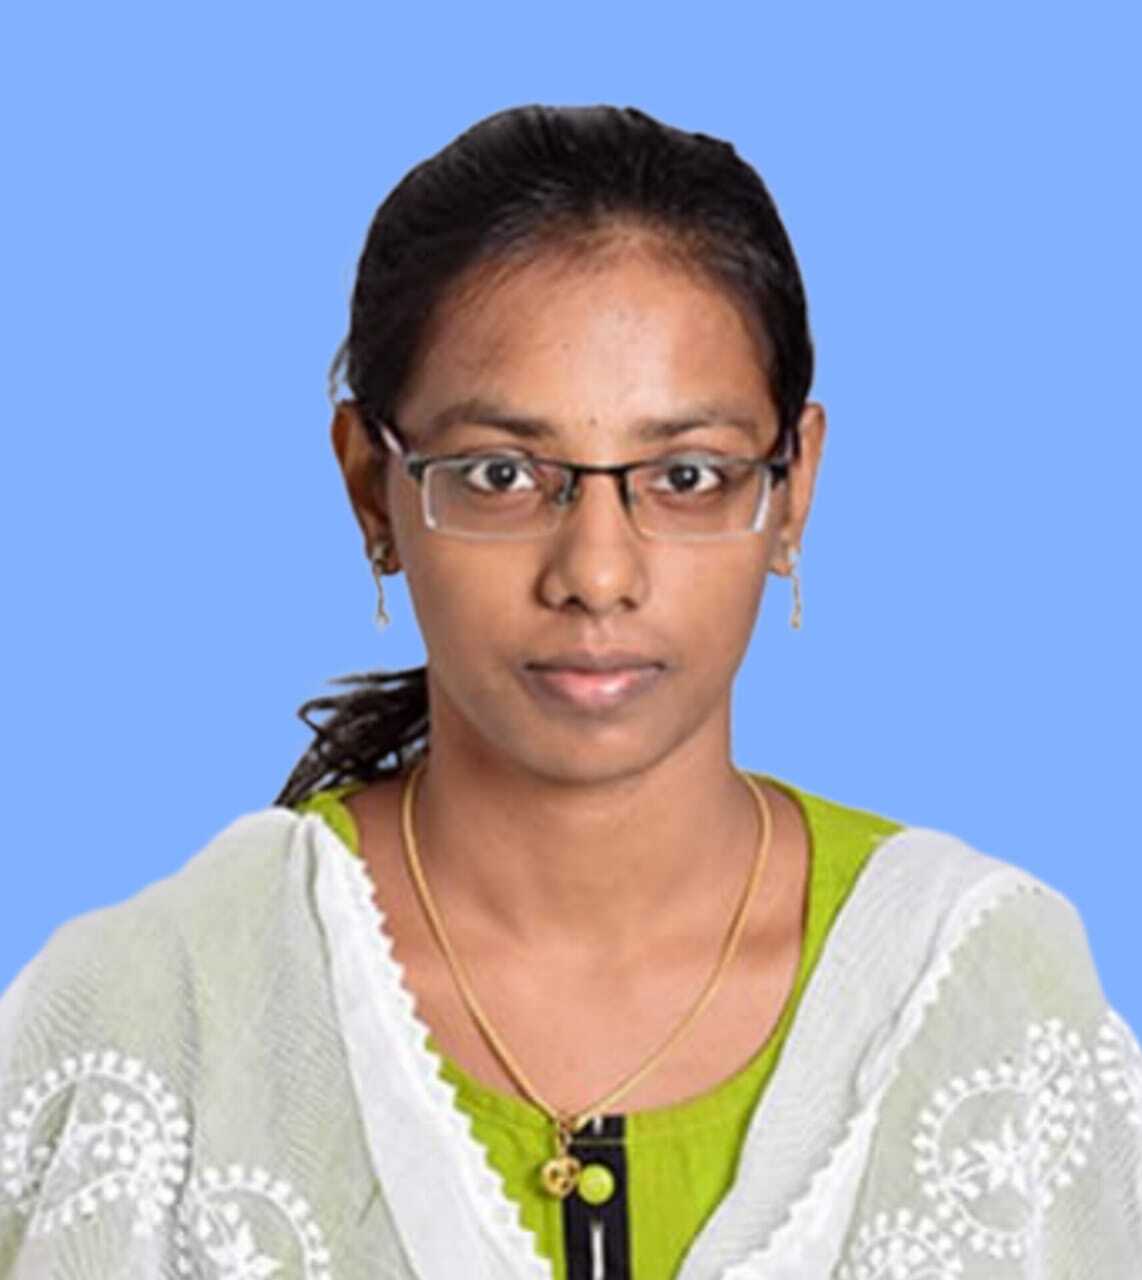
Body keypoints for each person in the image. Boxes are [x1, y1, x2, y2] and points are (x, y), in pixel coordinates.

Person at [1, 104, 1138, 1280]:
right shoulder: (158, 1015)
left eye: (686, 474)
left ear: (791, 490)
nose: (595, 573)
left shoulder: (986, 997)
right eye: (500, 472)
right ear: (371, 487)